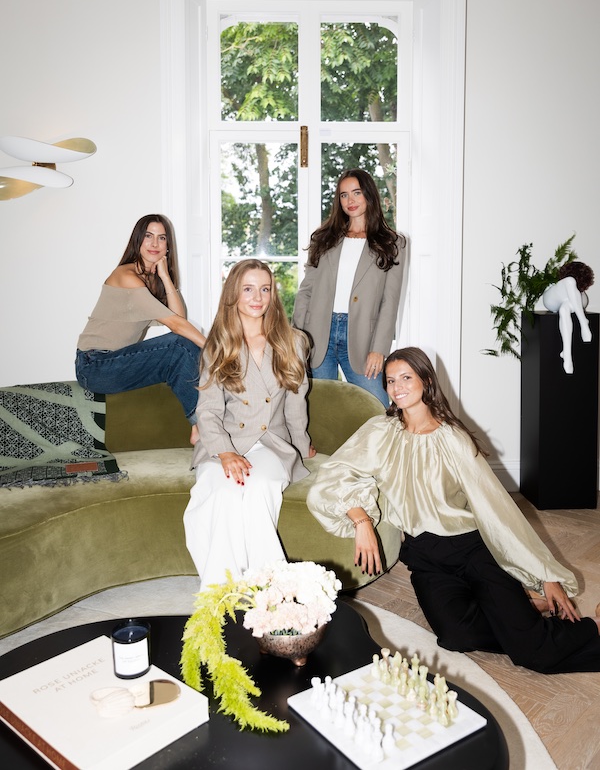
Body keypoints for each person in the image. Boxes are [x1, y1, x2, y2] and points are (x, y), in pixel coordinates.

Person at [307, 346, 600, 674]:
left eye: (407, 377)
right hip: (425, 559)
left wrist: (545, 575)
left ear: (426, 381)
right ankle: (524, 615)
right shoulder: (380, 432)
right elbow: (333, 475)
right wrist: (361, 520)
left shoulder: (453, 439)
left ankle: (591, 629)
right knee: (455, 636)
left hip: (471, 550)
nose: (397, 387)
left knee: (536, 656)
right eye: (390, 381)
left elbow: (498, 511)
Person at [183, 259, 316, 589]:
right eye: (248, 289)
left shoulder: (294, 341)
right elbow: (209, 412)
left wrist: (301, 447)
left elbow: (296, 405)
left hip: (273, 443)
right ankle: (220, 593)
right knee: (220, 495)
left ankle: (268, 592)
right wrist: (225, 454)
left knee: (258, 490)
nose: (258, 297)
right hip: (224, 441)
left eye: (265, 289)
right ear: (233, 295)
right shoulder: (218, 344)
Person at [76, 214, 205, 443]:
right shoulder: (126, 276)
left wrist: (165, 276)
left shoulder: (150, 281)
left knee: (180, 351)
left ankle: (200, 425)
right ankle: (204, 424)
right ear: (138, 240)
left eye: (162, 238)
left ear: (168, 246)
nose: (155, 244)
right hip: (94, 365)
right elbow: (176, 325)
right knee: (180, 344)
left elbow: (179, 318)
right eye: (148, 236)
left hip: (116, 363)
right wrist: (218, 349)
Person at [292, 169, 406, 407]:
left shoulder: (392, 243)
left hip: (363, 339)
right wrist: (297, 337)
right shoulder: (323, 238)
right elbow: (306, 291)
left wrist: (379, 349)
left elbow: (390, 301)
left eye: (356, 193)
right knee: (319, 410)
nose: (350, 201)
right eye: (343, 195)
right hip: (318, 334)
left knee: (378, 408)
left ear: (369, 195)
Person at [542, 260, 594, 374]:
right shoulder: (564, 283)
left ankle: (566, 353)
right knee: (570, 281)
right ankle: (583, 322)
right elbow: (568, 282)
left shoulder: (581, 294)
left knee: (564, 309)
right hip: (553, 301)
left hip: (570, 304)